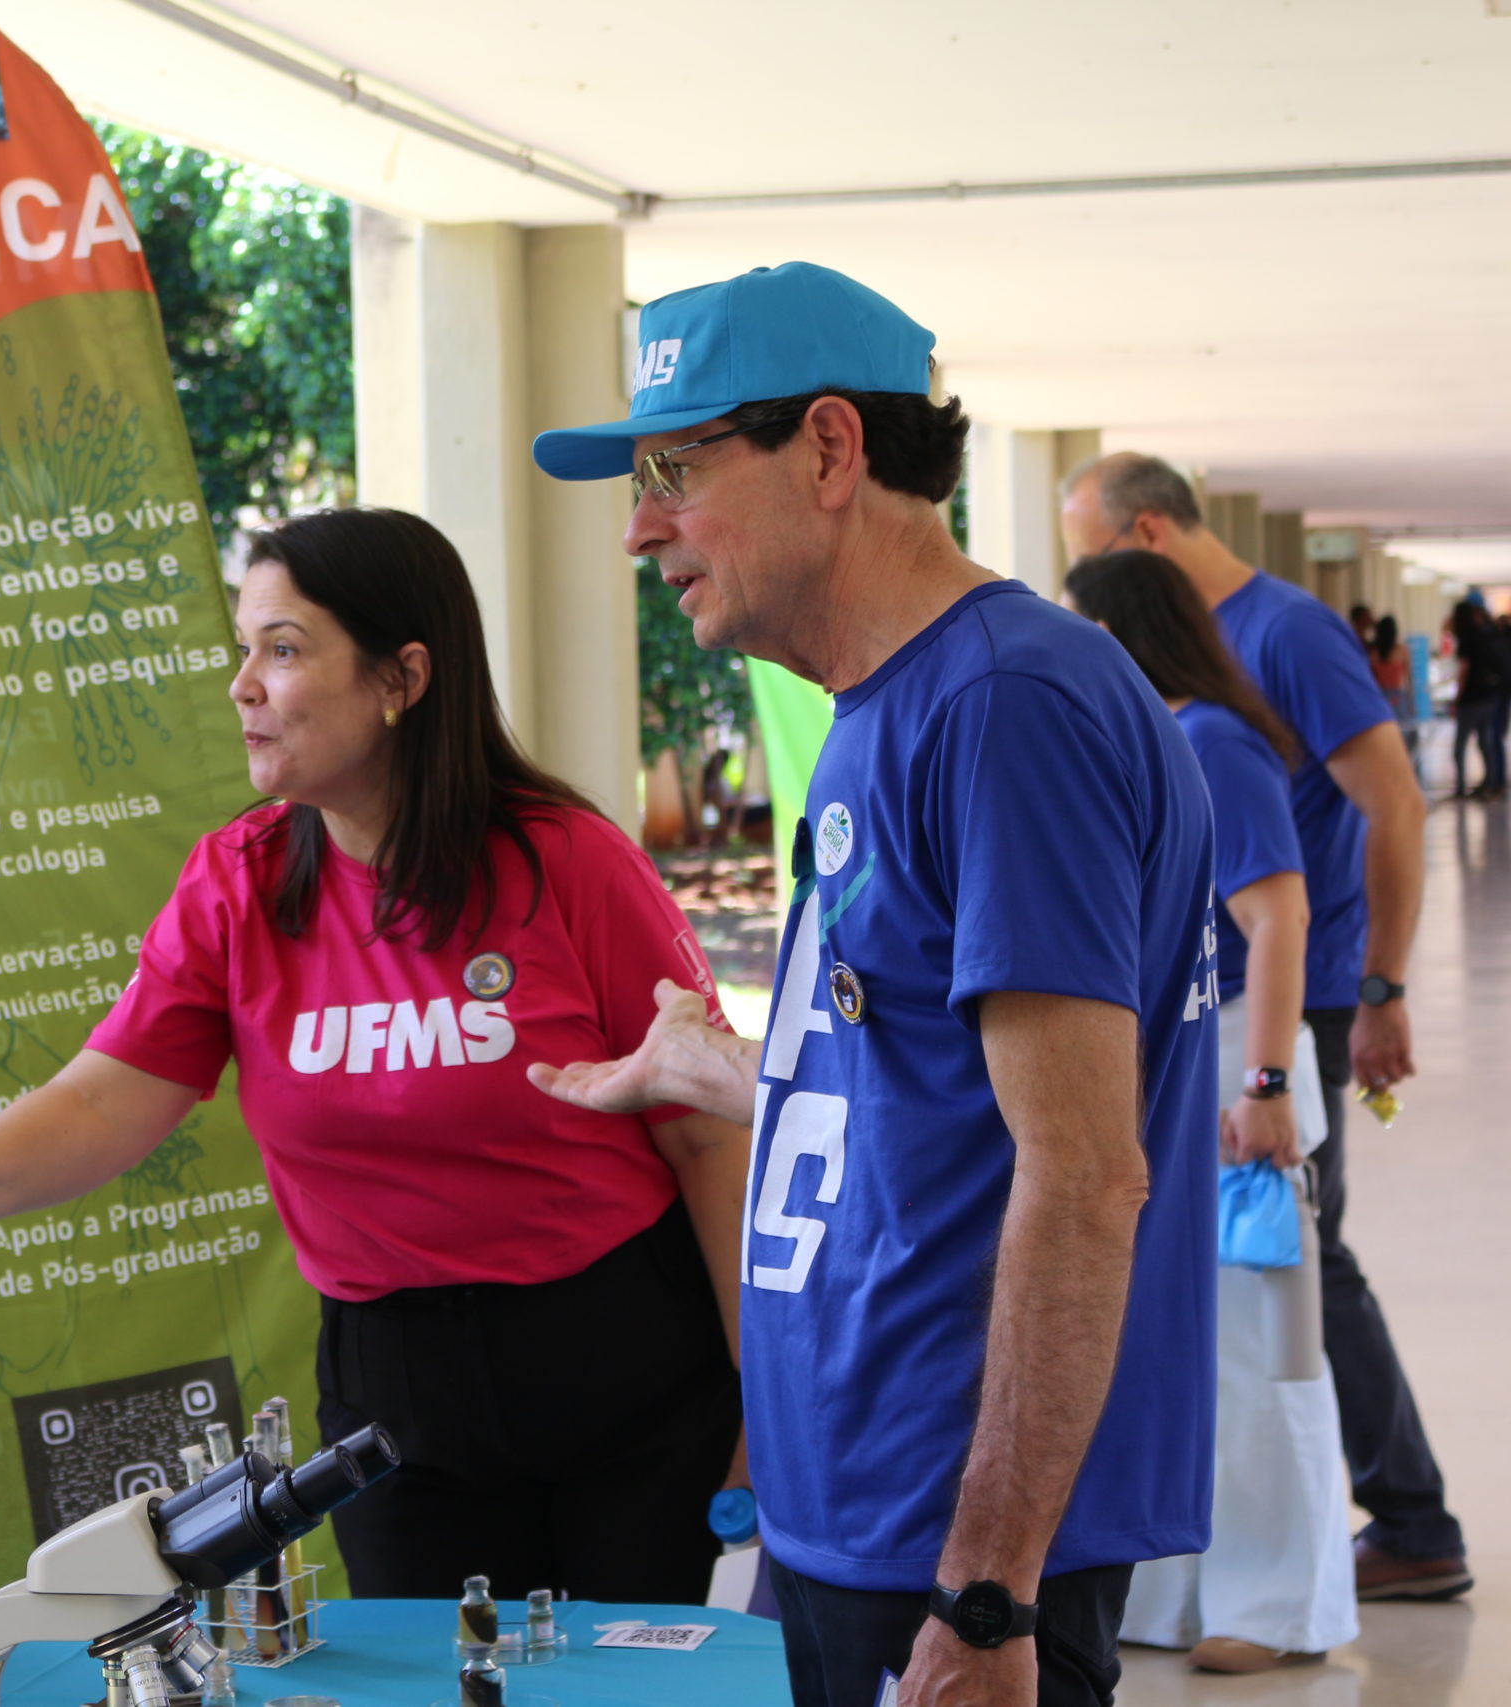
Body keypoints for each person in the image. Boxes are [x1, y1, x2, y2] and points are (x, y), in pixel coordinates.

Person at [527, 262, 1219, 1707]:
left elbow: (1085, 1173)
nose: (639, 526)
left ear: (831, 449)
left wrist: (985, 1591)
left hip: (948, 1539)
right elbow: (921, 1086)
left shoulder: (1005, 707)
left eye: (673, 471)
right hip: (858, 1504)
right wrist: (717, 1067)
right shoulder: (888, 704)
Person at [0, 506, 751, 1603]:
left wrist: (767, 1402)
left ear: (401, 677)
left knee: (633, 1676)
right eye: (244, 650)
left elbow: (709, 1138)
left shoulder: (569, 862)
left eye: (282, 649)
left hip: (621, 1361)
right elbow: (104, 1099)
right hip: (392, 1388)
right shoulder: (239, 881)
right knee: (436, 1677)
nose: (243, 687)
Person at [1059, 454, 1462, 1601]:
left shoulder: (1281, 637)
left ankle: (1405, 1521)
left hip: (1291, 1001)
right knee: (1266, 1270)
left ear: (1143, 538)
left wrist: (1376, 990)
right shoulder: (1192, 680)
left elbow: (1392, 803)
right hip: (1231, 1007)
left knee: (1294, 1265)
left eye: (1089, 560)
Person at [1067, 550, 1355, 1674]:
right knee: (1181, 1340)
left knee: (1260, 1349)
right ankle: (1175, 1588)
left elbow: (1279, 917)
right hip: (1187, 1063)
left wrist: (1267, 1084)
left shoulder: (1217, 744)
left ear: (1123, 630)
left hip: (1243, 1061)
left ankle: (1276, 1603)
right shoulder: (1159, 738)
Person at [1446, 597, 1505, 801]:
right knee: (1485, 742)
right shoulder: (1483, 635)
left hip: (1471, 699)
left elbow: (1464, 672)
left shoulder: (1466, 640)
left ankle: (1461, 786)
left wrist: (1456, 698)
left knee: (1460, 744)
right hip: (1488, 696)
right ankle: (1490, 783)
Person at [1366, 615, 1419, 766]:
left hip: (1380, 699)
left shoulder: (1373, 653)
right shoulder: (1402, 650)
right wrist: (1412, 703)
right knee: (1405, 738)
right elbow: (1409, 679)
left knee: (1384, 736)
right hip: (1398, 698)